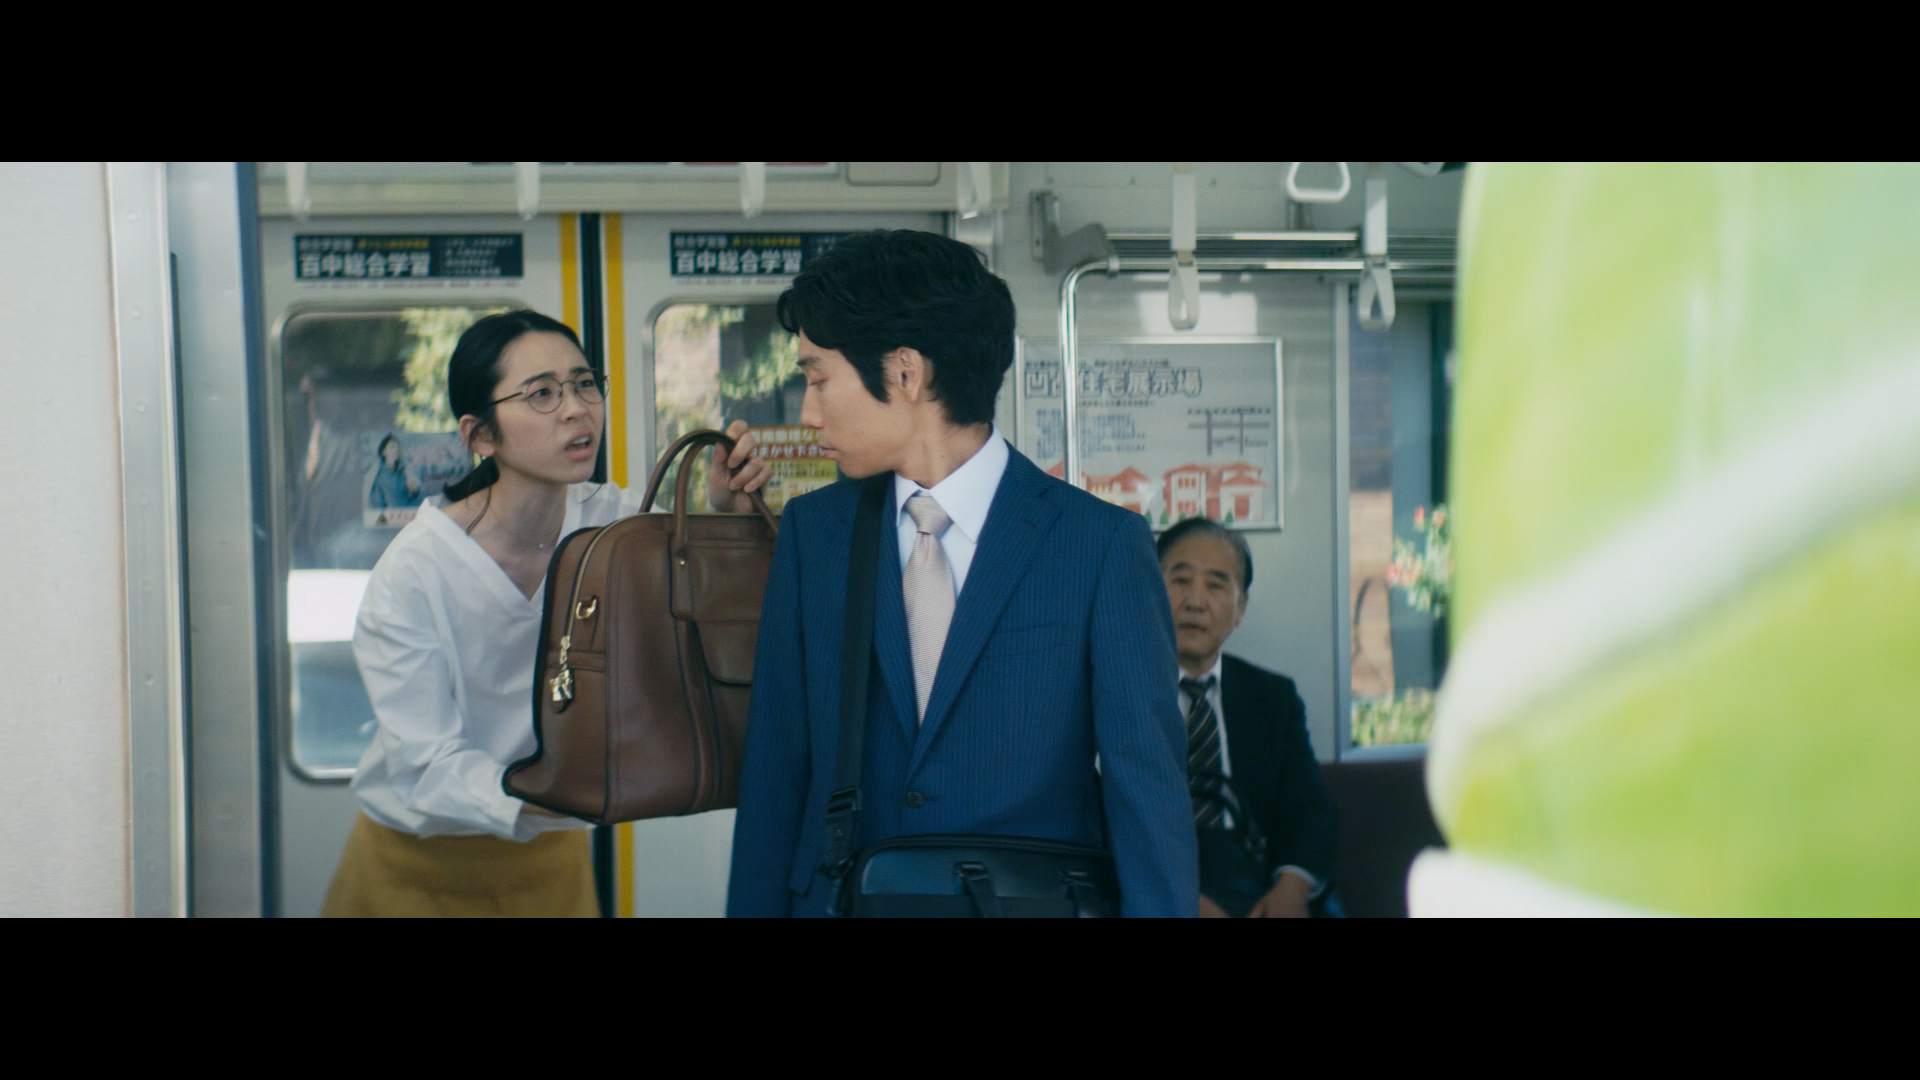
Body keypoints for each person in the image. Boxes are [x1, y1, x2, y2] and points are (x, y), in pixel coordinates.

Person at [727, 230, 1198, 918]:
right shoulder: (815, 535)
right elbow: (775, 775)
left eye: (818, 378)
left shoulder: (1100, 546)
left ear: (906, 374)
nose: (808, 411)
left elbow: (1148, 795)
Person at [323, 310, 770, 918]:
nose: (576, 410)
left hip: (553, 865)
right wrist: (576, 791)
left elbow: (705, 637)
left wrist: (727, 519)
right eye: (541, 394)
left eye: (584, 384)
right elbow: (427, 767)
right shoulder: (415, 572)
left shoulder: (617, 526)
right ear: (480, 436)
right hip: (414, 871)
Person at [1157, 516, 1338, 918]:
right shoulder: (1118, 692)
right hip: (1155, 891)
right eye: (1181, 580)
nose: (1195, 601)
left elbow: (1309, 810)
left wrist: (1292, 887)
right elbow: (1097, 819)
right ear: (1150, 591)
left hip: (1256, 890)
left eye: (1216, 585)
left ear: (1241, 608)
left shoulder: (1273, 698)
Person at [368, 434, 421, 510]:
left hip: (408, 514)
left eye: (398, 447)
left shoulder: (405, 471)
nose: (397, 449)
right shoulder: (378, 477)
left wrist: (408, 474)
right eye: (392, 447)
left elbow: (415, 494)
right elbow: (377, 506)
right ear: (384, 452)